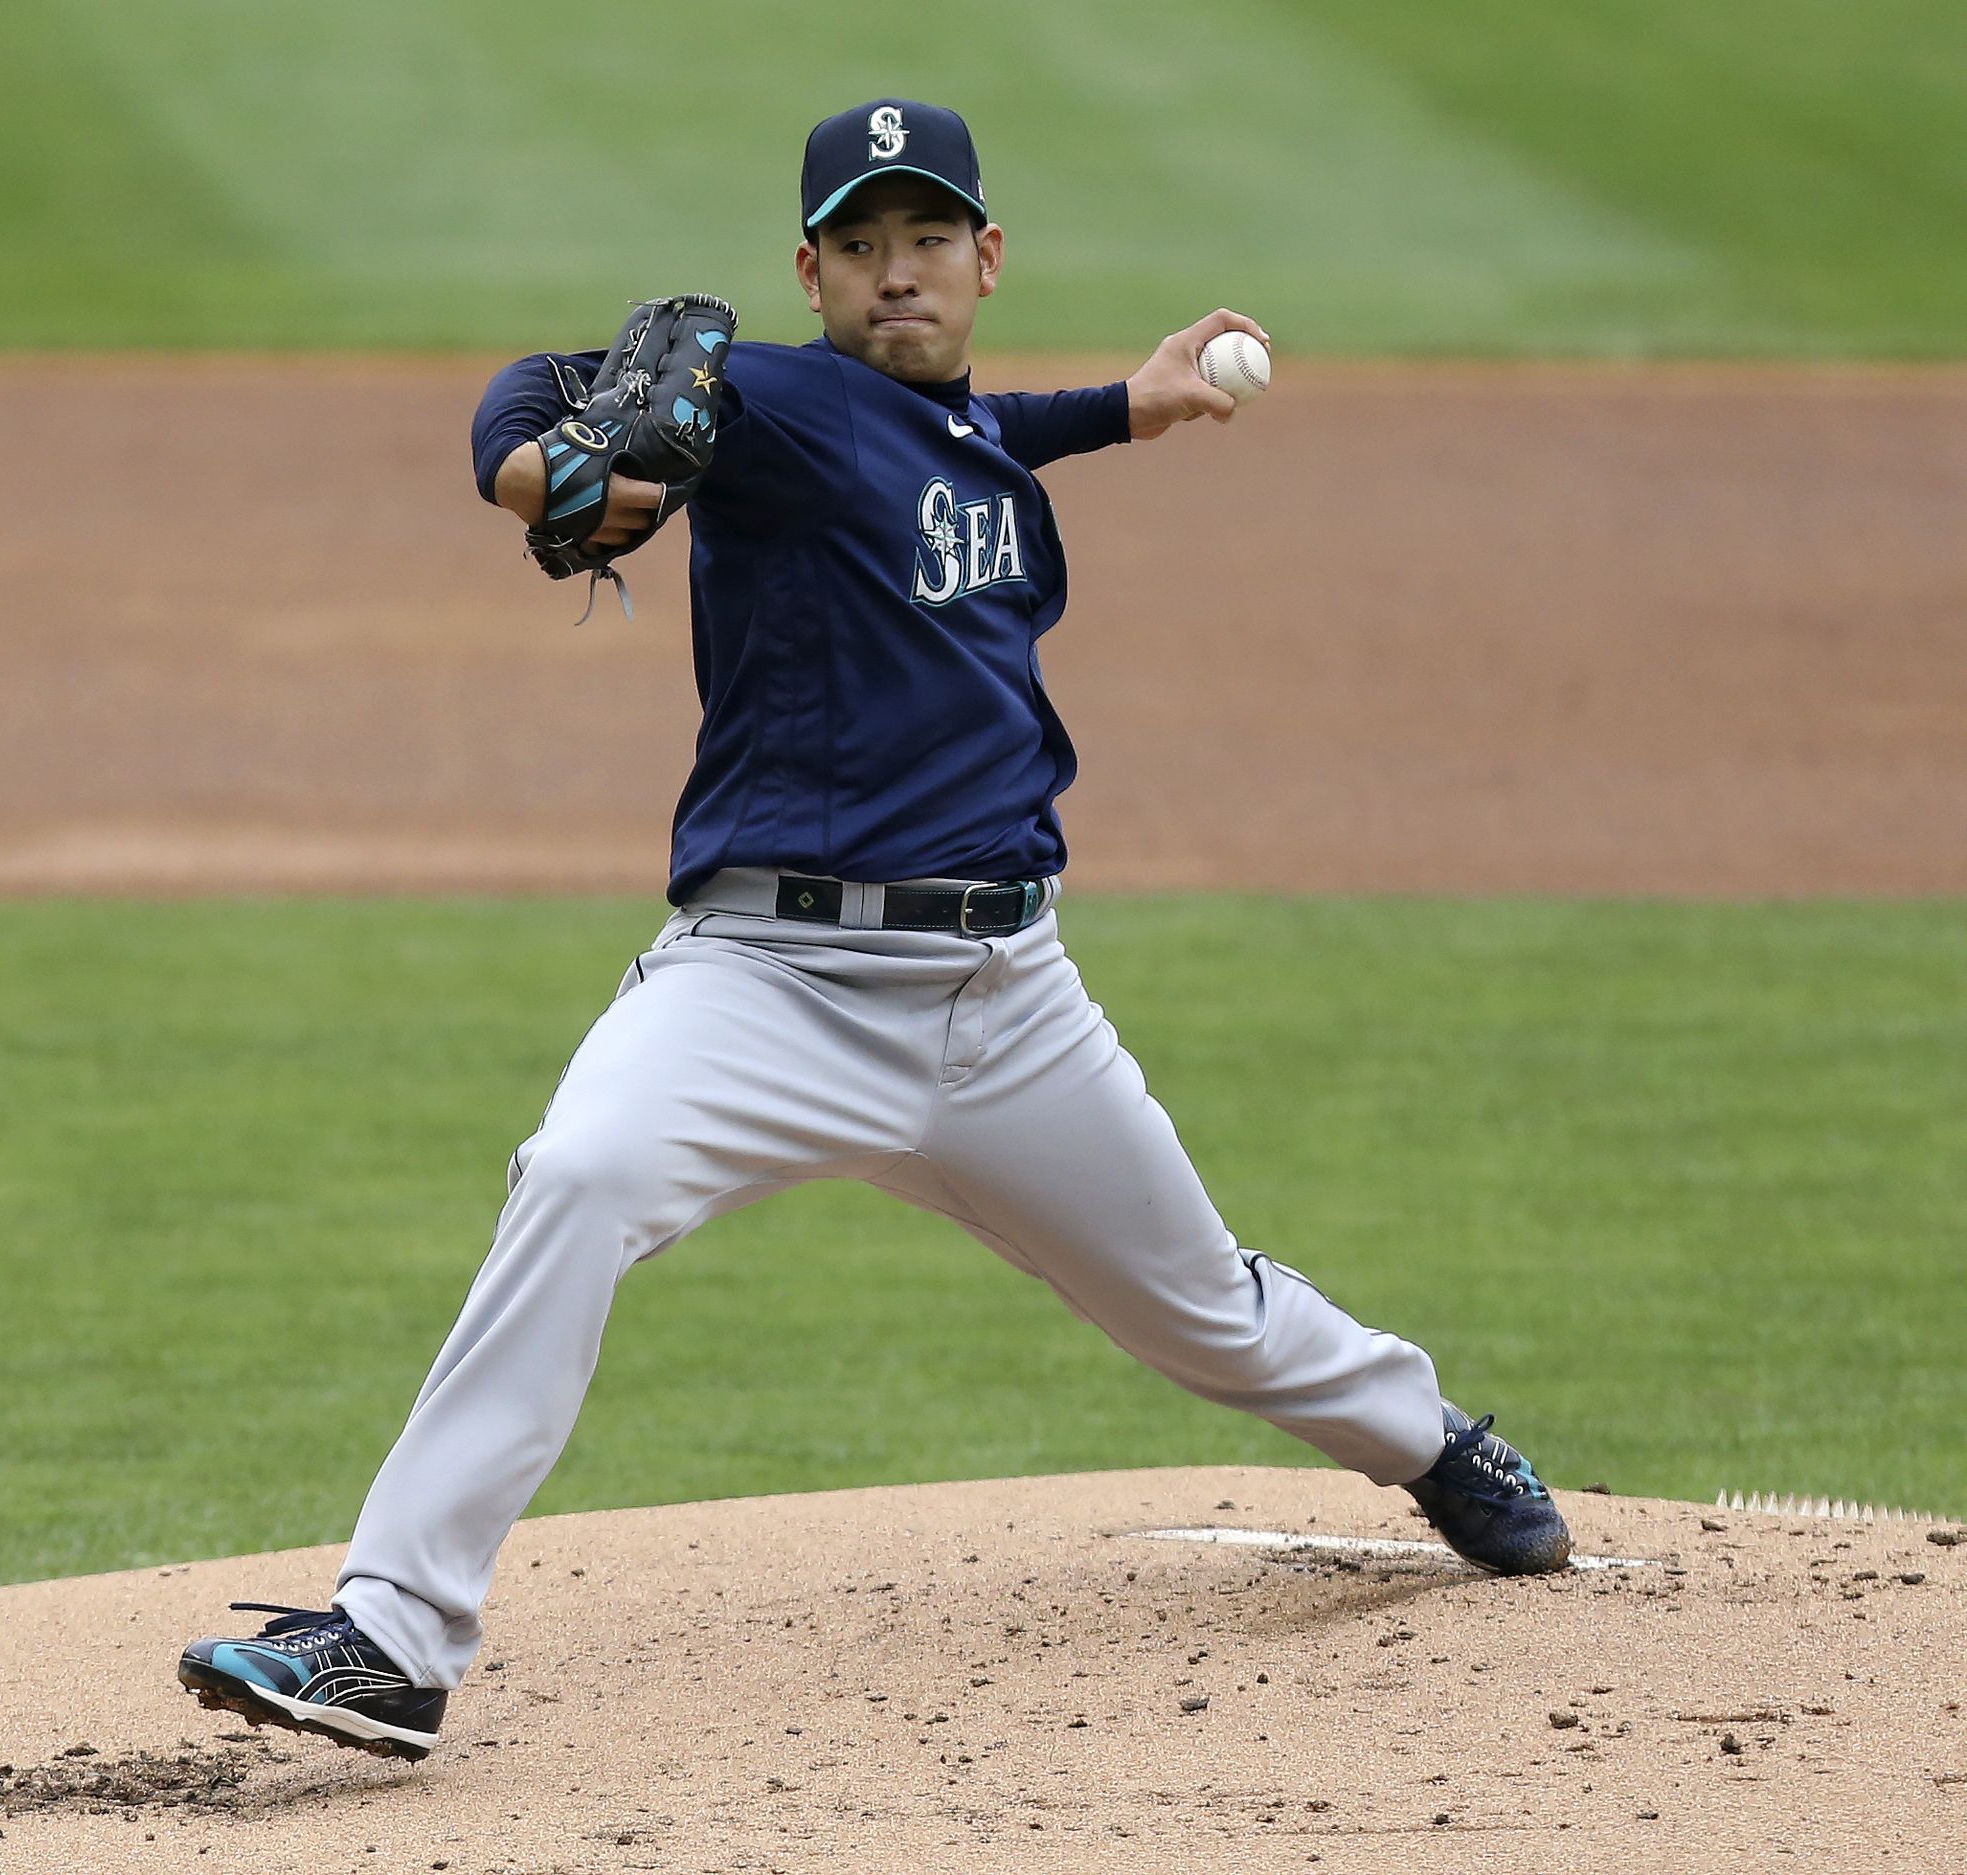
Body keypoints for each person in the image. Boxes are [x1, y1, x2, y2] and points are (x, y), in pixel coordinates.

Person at [177, 98, 1570, 1764]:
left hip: (1006, 1001)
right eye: (858, 247)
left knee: (1202, 1310)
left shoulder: (958, 430)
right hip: (766, 982)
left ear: (984, 259)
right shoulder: (763, 398)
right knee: (580, 1177)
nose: (893, 273)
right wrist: (532, 471)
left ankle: (1430, 1440)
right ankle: (393, 1640)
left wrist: (1133, 405)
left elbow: (970, 442)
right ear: (810, 273)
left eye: (925, 240)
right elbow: (531, 393)